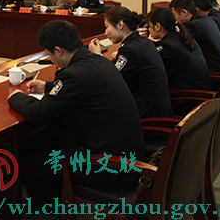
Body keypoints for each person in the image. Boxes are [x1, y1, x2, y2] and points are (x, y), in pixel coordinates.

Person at [8, 20, 143, 207]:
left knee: (35, 164)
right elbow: (80, 88)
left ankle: (52, 211)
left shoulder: (73, 74)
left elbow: (38, 112)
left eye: (49, 54)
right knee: (46, 139)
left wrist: (15, 97)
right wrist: (48, 86)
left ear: (58, 51)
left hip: (108, 165)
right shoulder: (98, 61)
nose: (51, 59)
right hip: (126, 154)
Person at [88, 7, 172, 119]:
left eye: (107, 27)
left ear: (120, 25)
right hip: (157, 109)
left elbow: (111, 80)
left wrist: (97, 56)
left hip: (147, 114)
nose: (105, 32)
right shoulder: (143, 41)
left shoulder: (130, 50)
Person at [146, 7, 210, 91]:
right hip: (200, 88)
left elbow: (152, 65)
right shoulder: (181, 37)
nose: (149, 30)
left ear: (158, 26)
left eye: (149, 27)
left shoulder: (168, 46)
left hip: (186, 94)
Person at [169, 0, 220, 76]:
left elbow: (176, 45)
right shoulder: (206, 19)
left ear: (184, 12)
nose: (175, 19)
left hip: (217, 71)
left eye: (174, 15)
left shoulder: (193, 25)